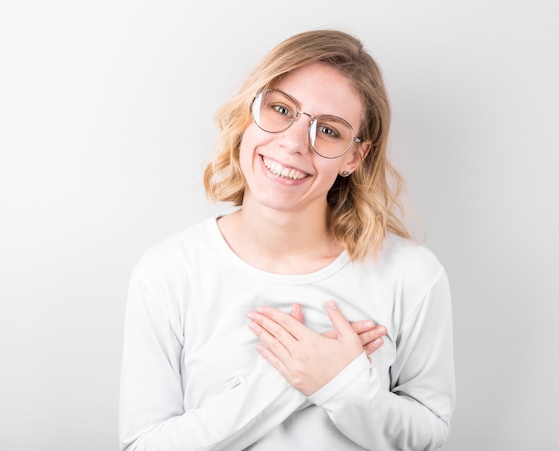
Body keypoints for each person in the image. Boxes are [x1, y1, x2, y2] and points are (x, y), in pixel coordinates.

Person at [119, 29, 455, 451]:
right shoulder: (168, 272)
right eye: (281, 109)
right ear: (250, 111)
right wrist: (292, 379)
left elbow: (429, 434)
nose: (294, 144)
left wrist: (344, 386)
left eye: (329, 131)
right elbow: (143, 446)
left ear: (354, 156)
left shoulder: (411, 275)